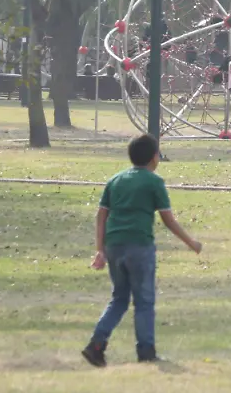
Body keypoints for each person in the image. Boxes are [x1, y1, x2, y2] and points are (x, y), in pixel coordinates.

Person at [82, 135, 203, 367]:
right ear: (153, 157)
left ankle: (96, 345)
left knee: (119, 299)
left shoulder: (115, 180)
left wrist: (100, 249)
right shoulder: (154, 182)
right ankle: (146, 351)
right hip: (140, 247)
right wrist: (191, 243)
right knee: (144, 301)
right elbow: (168, 221)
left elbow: (101, 216)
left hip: (114, 246)